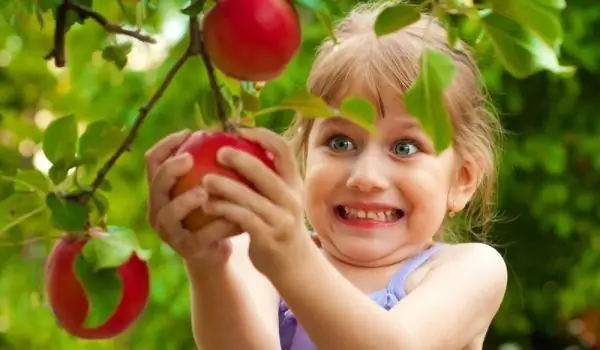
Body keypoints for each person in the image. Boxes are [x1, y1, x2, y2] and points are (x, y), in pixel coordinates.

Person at [144, 3, 508, 350]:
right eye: (340, 141)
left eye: (405, 148)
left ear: (462, 180)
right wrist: (207, 264)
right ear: (303, 160)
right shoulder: (250, 255)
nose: (366, 177)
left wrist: (292, 261)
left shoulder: (470, 270)